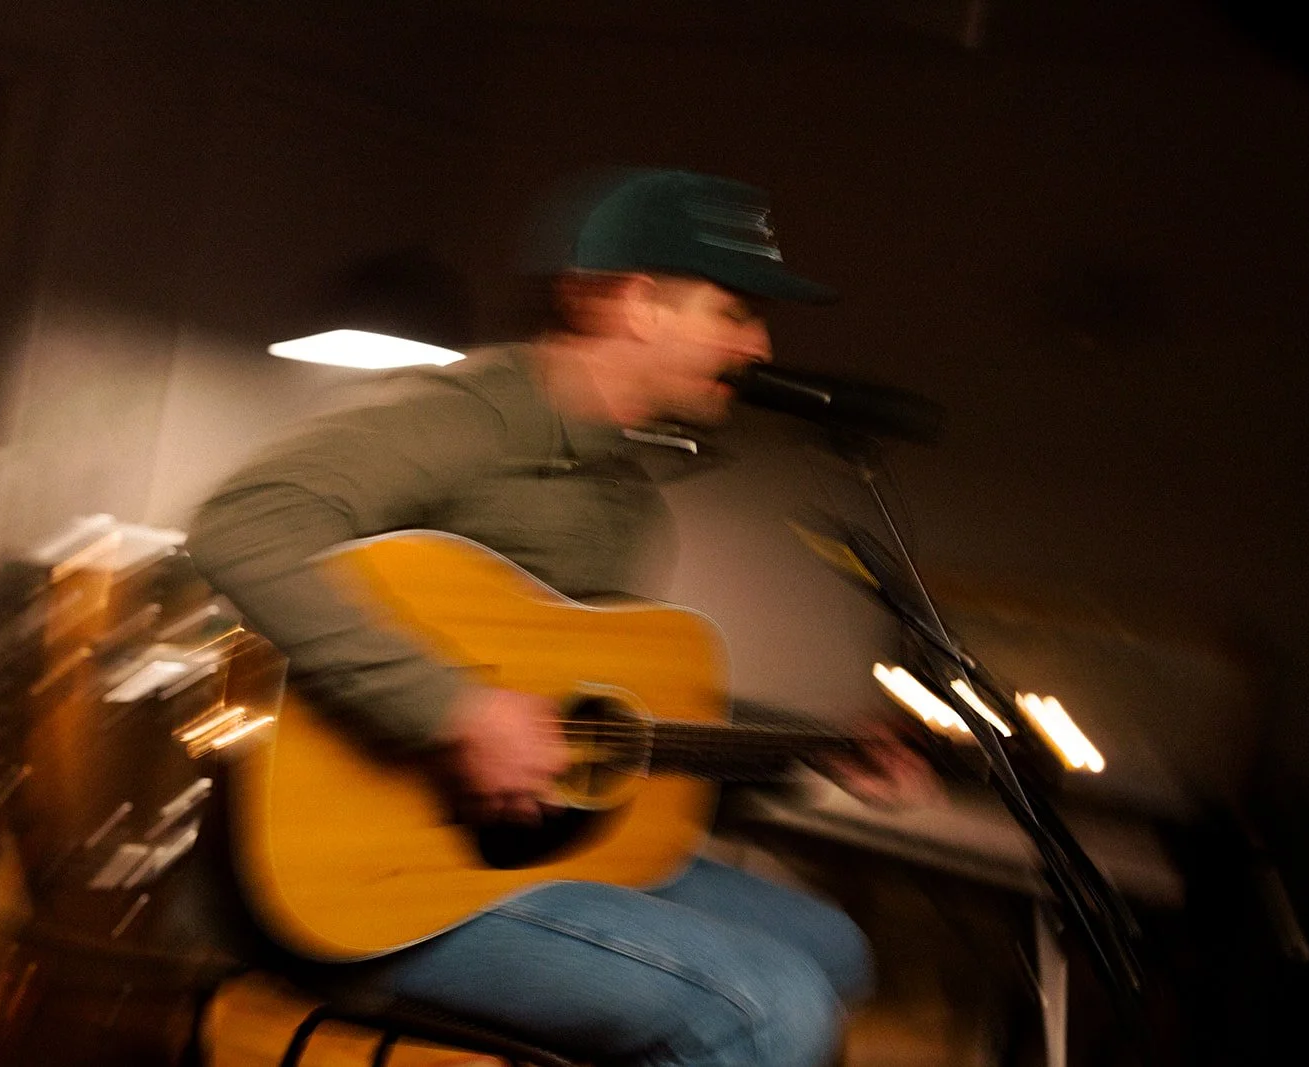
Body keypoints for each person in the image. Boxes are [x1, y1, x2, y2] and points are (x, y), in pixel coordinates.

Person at [186, 168, 924, 1067]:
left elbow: (601, 718)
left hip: (519, 852)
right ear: (637, 302)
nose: (761, 347)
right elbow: (244, 520)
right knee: (770, 1006)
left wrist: (813, 747)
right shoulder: (470, 414)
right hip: (353, 887)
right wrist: (452, 711)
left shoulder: (623, 497)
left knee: (838, 948)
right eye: (735, 311)